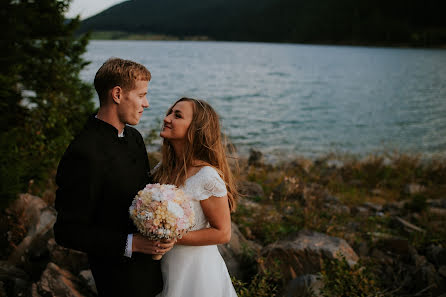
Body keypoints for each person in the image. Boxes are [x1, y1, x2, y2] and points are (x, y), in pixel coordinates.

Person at [53, 58, 175, 297]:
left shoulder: (135, 138)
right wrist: (132, 243)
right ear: (117, 94)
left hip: (153, 270)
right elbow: (66, 231)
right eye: (141, 95)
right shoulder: (84, 153)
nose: (146, 104)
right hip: (118, 279)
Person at [152, 97, 238, 297]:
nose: (167, 118)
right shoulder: (162, 169)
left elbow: (223, 233)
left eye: (177, 115)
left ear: (195, 129)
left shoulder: (206, 176)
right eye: (169, 112)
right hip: (164, 268)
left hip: (197, 273)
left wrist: (172, 237)